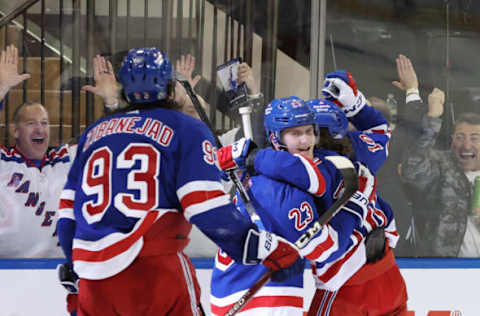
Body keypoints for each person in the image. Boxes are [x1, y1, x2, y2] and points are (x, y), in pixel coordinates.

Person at [55, 47, 300, 316]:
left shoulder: (94, 133)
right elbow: (207, 211)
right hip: (154, 275)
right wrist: (268, 249)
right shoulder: (186, 128)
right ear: (169, 87)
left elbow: (67, 214)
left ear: (122, 89)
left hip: (94, 282)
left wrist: (76, 266)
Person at [220, 72, 408, 315]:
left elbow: (285, 165)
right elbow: (380, 132)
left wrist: (251, 156)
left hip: (346, 284)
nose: (306, 139)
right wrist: (356, 104)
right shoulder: (360, 151)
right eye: (297, 132)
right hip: (389, 277)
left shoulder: (309, 167)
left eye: (308, 131)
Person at [391, 54, 474, 257]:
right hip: (442, 270)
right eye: (460, 136)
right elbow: (412, 168)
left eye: (476, 138)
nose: (467, 144)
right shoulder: (442, 163)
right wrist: (433, 119)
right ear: (452, 140)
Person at [0, 44, 76, 258]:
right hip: (7, 274)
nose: (40, 128)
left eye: (44, 123)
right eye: (31, 123)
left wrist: (112, 102)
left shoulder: (66, 160)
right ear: (15, 131)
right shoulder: (4, 161)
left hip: (59, 274)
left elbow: (114, 140)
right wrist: (2, 87)